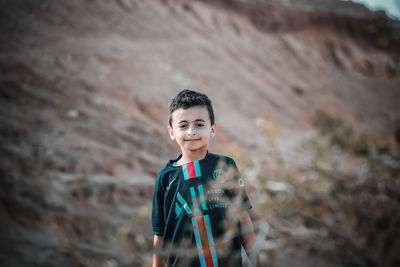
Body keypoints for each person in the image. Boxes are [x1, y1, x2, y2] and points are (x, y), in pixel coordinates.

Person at [152, 89, 260, 267]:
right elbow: (160, 234)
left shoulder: (226, 166)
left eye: (199, 124)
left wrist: (257, 262)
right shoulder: (166, 177)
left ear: (212, 129)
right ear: (171, 132)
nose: (191, 131)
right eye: (183, 125)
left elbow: (243, 220)